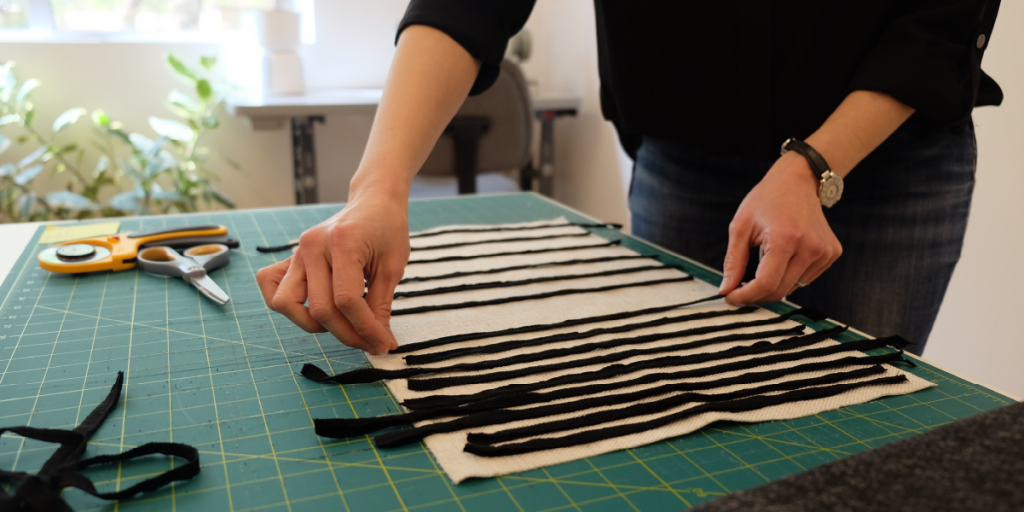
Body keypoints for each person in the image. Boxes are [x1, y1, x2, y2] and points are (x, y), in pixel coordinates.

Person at [256, 1, 1002, 356]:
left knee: (866, 431)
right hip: (687, 157)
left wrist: (811, 165)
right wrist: (377, 190)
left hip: (889, 162)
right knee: (681, 412)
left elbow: (939, 21)